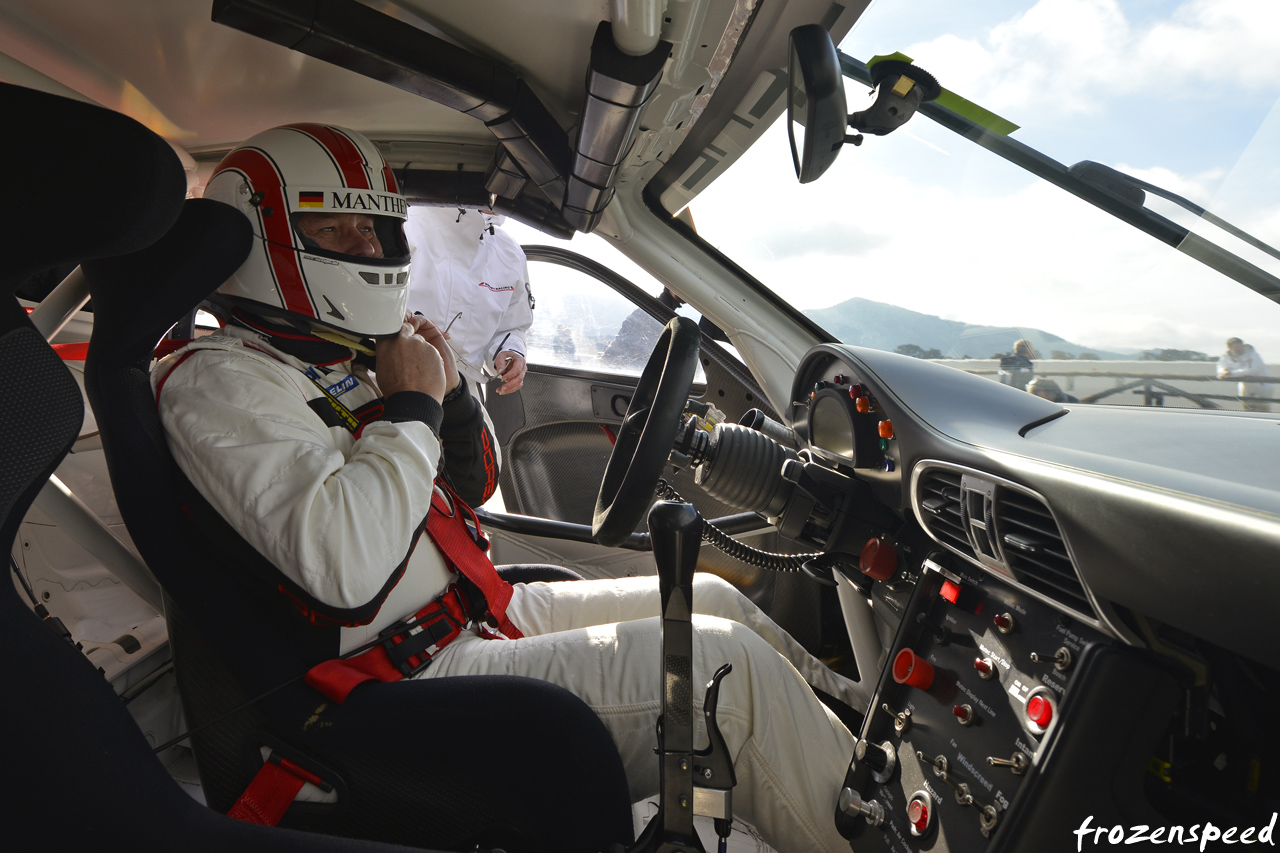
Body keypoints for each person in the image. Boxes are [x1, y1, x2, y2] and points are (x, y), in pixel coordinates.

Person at [155, 124, 862, 853]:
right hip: (402, 676)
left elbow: (474, 483)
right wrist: (411, 409)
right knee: (727, 672)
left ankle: (860, 730)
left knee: (709, 597)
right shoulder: (218, 381)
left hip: (473, 612)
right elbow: (346, 568)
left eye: (371, 227)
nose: (367, 248)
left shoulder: (335, 353)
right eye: (334, 228)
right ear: (255, 242)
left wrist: (453, 397)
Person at [404, 205, 531, 396]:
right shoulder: (407, 224)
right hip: (394, 387)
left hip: (464, 397)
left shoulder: (511, 253)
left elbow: (512, 327)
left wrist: (510, 350)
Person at [1217, 337, 1272, 412]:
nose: (1239, 349)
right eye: (1236, 347)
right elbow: (1221, 368)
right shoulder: (1226, 356)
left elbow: (1253, 371)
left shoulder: (1253, 355)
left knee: (1264, 412)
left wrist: (1231, 373)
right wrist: (1223, 372)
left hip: (1263, 388)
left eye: (1241, 346)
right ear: (1230, 347)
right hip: (1246, 389)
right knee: (1248, 412)